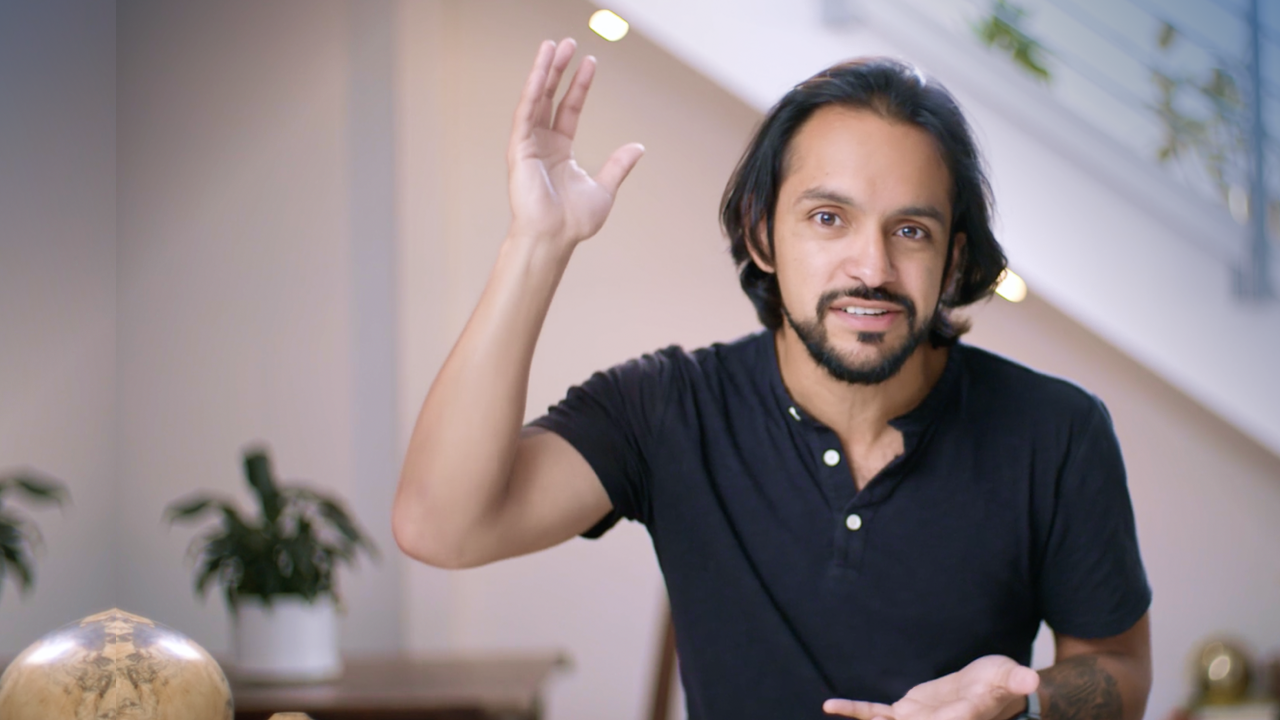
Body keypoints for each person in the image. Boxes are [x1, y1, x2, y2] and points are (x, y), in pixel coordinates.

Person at [392, 37, 1152, 720]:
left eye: (910, 231)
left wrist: (1023, 705)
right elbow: (440, 526)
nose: (872, 268)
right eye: (828, 218)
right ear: (762, 233)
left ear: (953, 260)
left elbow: (1118, 669)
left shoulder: (1057, 431)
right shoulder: (666, 409)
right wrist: (537, 243)